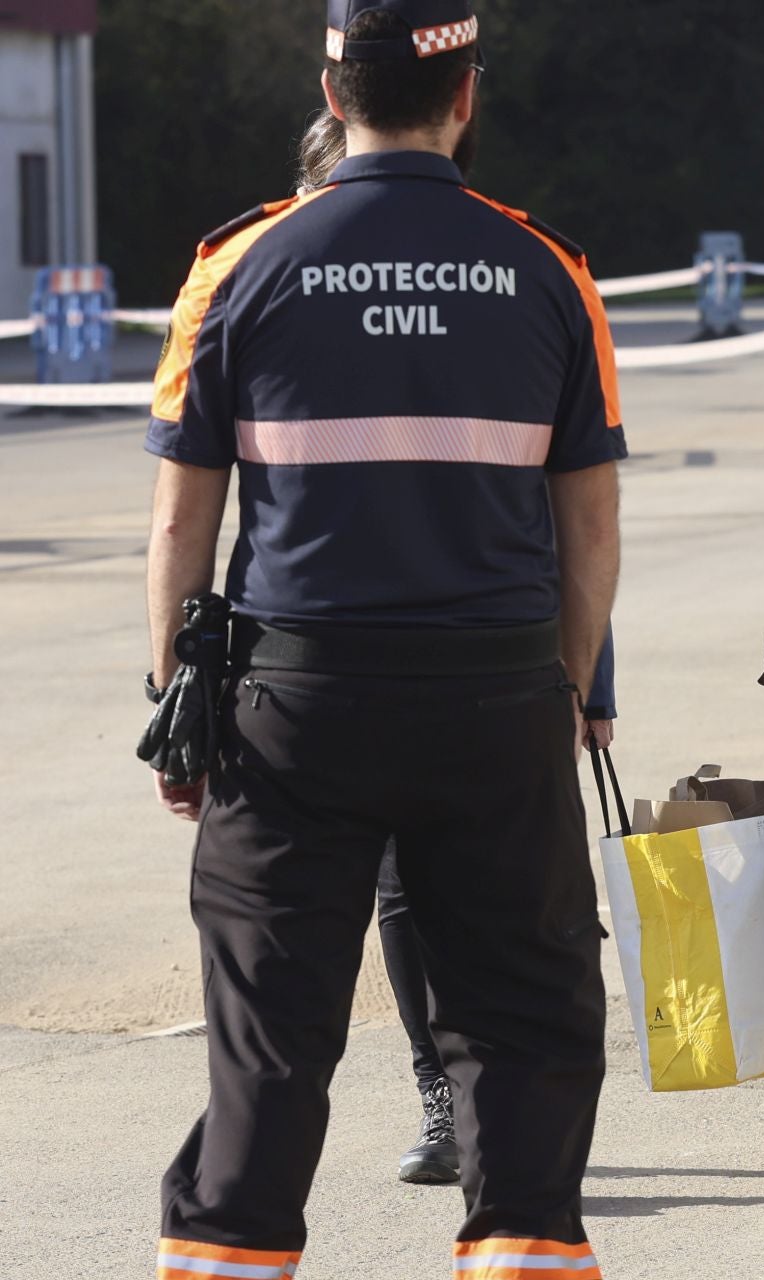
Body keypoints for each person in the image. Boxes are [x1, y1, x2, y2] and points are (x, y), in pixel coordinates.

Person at [144, 4, 622, 1276]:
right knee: (521, 1029)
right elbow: (591, 532)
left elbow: (182, 528)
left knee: (269, 1039)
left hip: (291, 704)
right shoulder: (548, 272)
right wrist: (563, 695)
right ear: (466, 95)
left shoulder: (237, 265)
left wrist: (174, 706)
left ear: (329, 90)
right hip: (493, 696)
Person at [291, 107, 620, 1189]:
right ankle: (442, 1093)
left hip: (498, 661)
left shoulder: (507, 296)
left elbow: (571, 518)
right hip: (349, 672)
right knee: (394, 894)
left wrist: (590, 681)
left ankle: (498, 1103)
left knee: (501, 906)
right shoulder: (286, 317)